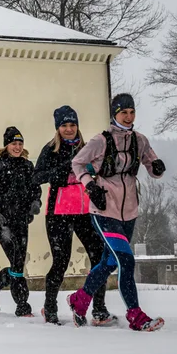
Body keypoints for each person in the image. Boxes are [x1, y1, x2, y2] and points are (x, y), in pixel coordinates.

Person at [68, 94, 166, 331]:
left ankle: (79, 300)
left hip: (129, 210)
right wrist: (90, 186)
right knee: (125, 260)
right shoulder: (101, 141)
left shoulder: (140, 140)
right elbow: (77, 163)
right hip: (104, 209)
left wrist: (157, 168)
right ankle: (135, 315)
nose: (129, 117)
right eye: (124, 112)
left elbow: (152, 165)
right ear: (114, 114)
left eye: (132, 112)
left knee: (109, 262)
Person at [33, 105, 111, 325]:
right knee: (60, 261)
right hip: (59, 213)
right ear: (58, 128)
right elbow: (36, 176)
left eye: (72, 125)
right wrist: (60, 172)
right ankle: (50, 308)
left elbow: (100, 171)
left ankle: (99, 309)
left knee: (98, 258)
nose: (69, 129)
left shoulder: (87, 148)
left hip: (86, 211)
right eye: (64, 125)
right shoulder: (50, 149)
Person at [0, 127, 42, 317]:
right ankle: (22, 305)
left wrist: (35, 202)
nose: (17, 147)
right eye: (13, 143)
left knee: (17, 262)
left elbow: (36, 189)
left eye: (20, 144)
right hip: (2, 220)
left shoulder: (27, 166)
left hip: (21, 220)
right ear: (6, 145)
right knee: (17, 261)